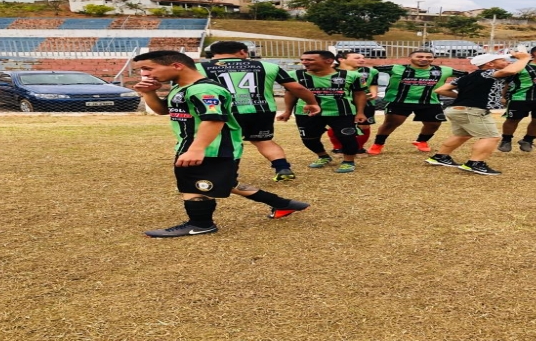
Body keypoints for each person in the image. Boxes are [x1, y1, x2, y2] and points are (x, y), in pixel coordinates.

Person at [132, 50, 309, 238]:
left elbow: (214, 120)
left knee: (193, 186)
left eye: (147, 68)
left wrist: (196, 149)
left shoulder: (204, 90)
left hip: (211, 148)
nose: (145, 74)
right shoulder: (181, 86)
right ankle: (283, 204)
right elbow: (163, 110)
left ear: (176, 65)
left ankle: (201, 224)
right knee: (226, 183)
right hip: (196, 145)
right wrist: (148, 93)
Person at [196, 41, 320, 182]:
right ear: (243, 51)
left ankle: (229, 175)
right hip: (261, 110)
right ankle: (283, 168)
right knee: (263, 140)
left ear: (213, 53)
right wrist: (312, 103)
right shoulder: (268, 66)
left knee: (227, 142)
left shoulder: (198, 68)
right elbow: (297, 88)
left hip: (223, 111)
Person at [427, 52, 532, 175]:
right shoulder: (488, 73)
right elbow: (509, 71)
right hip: (472, 110)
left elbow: (441, 90)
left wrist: (463, 97)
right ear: (490, 64)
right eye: (503, 60)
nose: (507, 62)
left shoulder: (467, 77)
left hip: (456, 109)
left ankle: (440, 157)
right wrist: (525, 58)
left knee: (463, 135)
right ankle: (475, 163)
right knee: (491, 137)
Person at [277, 50, 367, 173]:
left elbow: (359, 94)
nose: (304, 62)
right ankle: (323, 156)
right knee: (309, 139)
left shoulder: (352, 75)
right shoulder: (294, 75)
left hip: (341, 112)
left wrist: (360, 112)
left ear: (328, 61)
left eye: (309, 60)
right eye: (303, 59)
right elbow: (290, 93)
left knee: (347, 137)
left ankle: (348, 161)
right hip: (306, 112)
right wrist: (287, 111)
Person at [367, 50, 467, 155]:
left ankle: (421, 141)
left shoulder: (444, 70)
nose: (424, 59)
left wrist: (458, 89)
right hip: (400, 102)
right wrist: (371, 86)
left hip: (430, 102)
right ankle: (378, 144)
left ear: (433, 59)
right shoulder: (395, 68)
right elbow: (369, 71)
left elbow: (467, 76)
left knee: (434, 124)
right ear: (410, 58)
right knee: (390, 124)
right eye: (420, 56)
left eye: (428, 57)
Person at [326, 51, 379, 154]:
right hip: (339, 102)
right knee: (335, 125)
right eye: (357, 58)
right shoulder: (331, 71)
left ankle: (358, 148)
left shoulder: (371, 71)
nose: (362, 60)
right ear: (341, 59)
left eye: (362, 58)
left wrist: (374, 92)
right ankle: (338, 147)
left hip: (364, 101)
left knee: (364, 125)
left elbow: (373, 83)